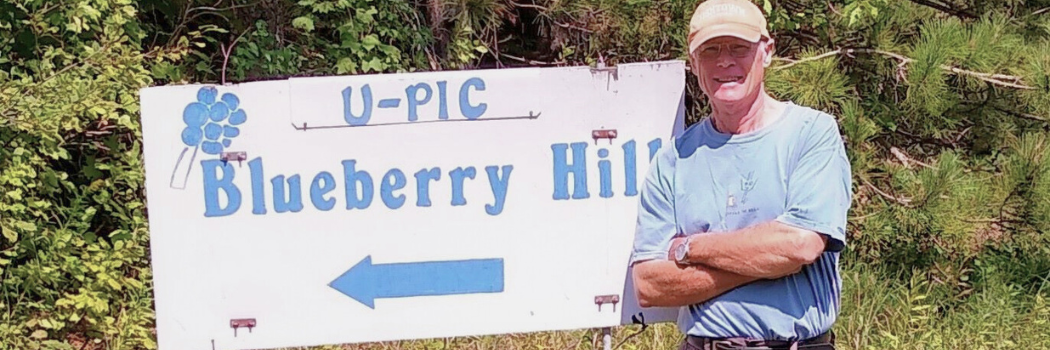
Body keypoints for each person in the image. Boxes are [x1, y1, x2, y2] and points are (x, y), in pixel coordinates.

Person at [628, 0, 854, 349]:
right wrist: (767, 261)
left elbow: (800, 245)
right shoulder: (673, 159)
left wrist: (691, 248)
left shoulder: (812, 134)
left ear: (767, 51)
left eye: (739, 48)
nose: (725, 61)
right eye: (711, 50)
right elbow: (649, 284)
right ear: (693, 62)